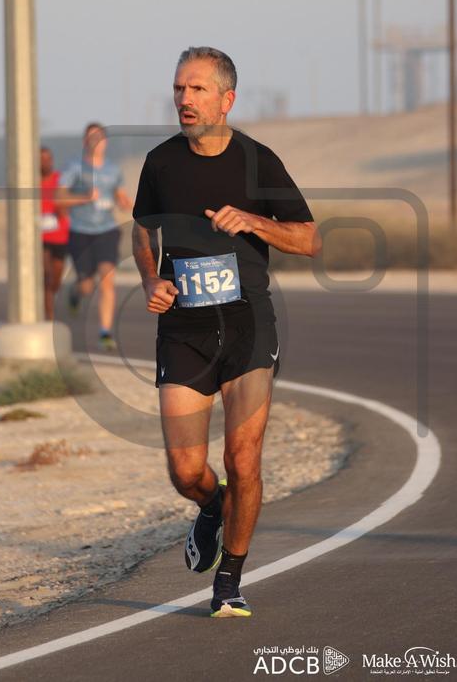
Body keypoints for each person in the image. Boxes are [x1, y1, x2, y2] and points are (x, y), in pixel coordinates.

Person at [132, 46, 320, 618]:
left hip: (246, 327)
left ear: (226, 99)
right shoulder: (161, 162)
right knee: (186, 471)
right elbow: (142, 232)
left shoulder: (258, 161)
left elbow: (309, 238)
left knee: (243, 459)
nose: (184, 99)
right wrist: (151, 280)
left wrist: (254, 221)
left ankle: (229, 581)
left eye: (197, 89)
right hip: (184, 328)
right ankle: (211, 507)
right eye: (179, 89)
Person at [57, 123, 132, 351]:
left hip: (107, 231)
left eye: (99, 137)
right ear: (84, 142)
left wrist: (124, 202)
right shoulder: (74, 167)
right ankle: (76, 292)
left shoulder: (113, 170)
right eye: (91, 137)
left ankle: (105, 332)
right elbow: (59, 198)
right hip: (81, 231)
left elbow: (119, 194)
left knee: (107, 279)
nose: (96, 142)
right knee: (87, 286)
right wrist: (84, 197)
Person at [40, 146, 70, 320]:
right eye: (41, 159)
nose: (44, 162)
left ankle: (51, 297)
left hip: (59, 236)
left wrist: (64, 207)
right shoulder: (30, 180)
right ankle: (49, 317)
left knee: (55, 279)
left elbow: (68, 200)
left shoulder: (60, 180)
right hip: (40, 237)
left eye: (47, 159)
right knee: (46, 276)